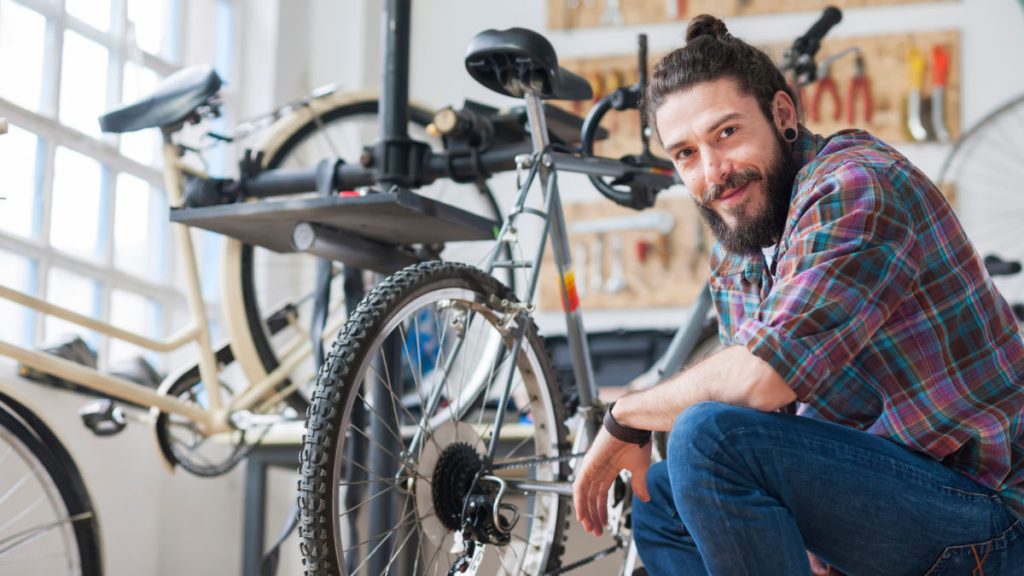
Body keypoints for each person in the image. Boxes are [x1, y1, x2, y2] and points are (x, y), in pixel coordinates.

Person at [571, 14, 1024, 576]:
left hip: (989, 515)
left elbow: (758, 381)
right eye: (686, 153)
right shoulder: (739, 248)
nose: (714, 172)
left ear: (782, 115)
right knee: (658, 500)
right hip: (900, 495)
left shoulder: (857, 187)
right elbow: (783, 422)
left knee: (705, 438)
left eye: (727, 133)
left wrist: (627, 416)